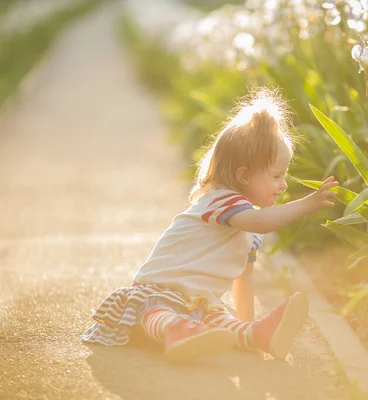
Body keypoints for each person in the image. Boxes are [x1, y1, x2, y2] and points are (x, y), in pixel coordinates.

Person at [82, 87, 339, 363]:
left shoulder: (248, 231)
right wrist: (306, 204)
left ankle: (255, 335)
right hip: (156, 294)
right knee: (160, 314)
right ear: (242, 175)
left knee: (219, 319)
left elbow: (244, 278)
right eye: (276, 175)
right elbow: (262, 222)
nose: (284, 184)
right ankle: (176, 331)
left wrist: (245, 321)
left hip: (198, 305)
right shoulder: (221, 201)